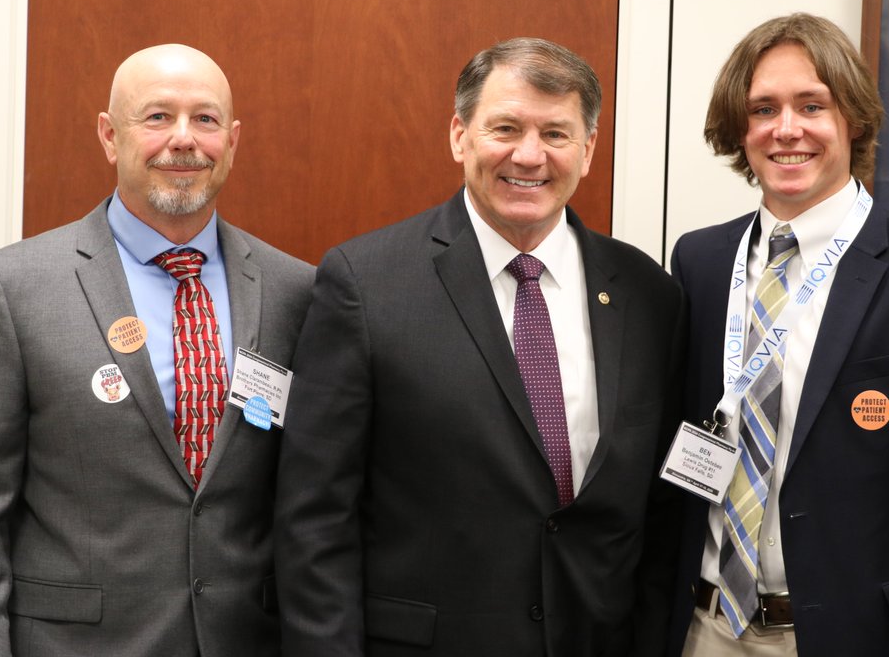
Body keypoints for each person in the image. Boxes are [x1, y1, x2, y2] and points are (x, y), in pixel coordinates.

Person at [275, 37, 684, 656]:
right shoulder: (366, 284)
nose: (529, 154)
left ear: (589, 149)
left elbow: (660, 512)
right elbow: (314, 520)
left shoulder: (649, 295)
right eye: (505, 128)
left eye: (556, 133)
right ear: (460, 136)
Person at [0, 44, 314, 656]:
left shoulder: (297, 291)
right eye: (157, 117)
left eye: (205, 120)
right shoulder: (11, 289)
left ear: (232, 140)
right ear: (110, 136)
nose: (183, 140)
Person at [667, 14, 889, 656]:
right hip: (704, 630)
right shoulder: (700, 261)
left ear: (851, 119)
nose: (787, 129)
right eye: (763, 108)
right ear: (739, 129)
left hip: (851, 637)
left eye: (812, 105)